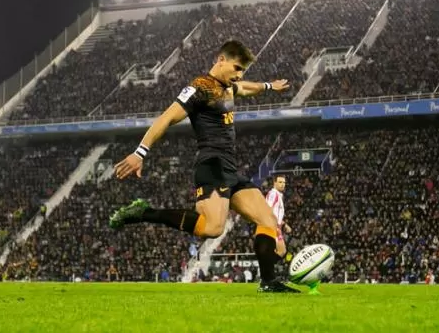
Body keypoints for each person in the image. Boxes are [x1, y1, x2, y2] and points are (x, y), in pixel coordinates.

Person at [109, 40, 299, 293]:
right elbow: (166, 118)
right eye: (236, 67)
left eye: (242, 70)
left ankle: (268, 282)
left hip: (230, 169)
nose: (239, 74)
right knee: (213, 228)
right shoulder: (199, 88)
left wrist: (268, 86)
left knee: (268, 220)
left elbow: (245, 87)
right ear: (220, 60)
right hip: (211, 165)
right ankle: (144, 212)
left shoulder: (230, 85)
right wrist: (140, 152)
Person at [265, 175, 292, 257]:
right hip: (272, 227)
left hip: (276, 227)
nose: (283, 184)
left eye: (284, 182)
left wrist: (284, 224)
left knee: (281, 251)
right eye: (280, 182)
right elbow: (267, 211)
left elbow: (275, 213)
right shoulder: (273, 194)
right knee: (281, 251)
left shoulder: (279, 195)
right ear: (274, 183)